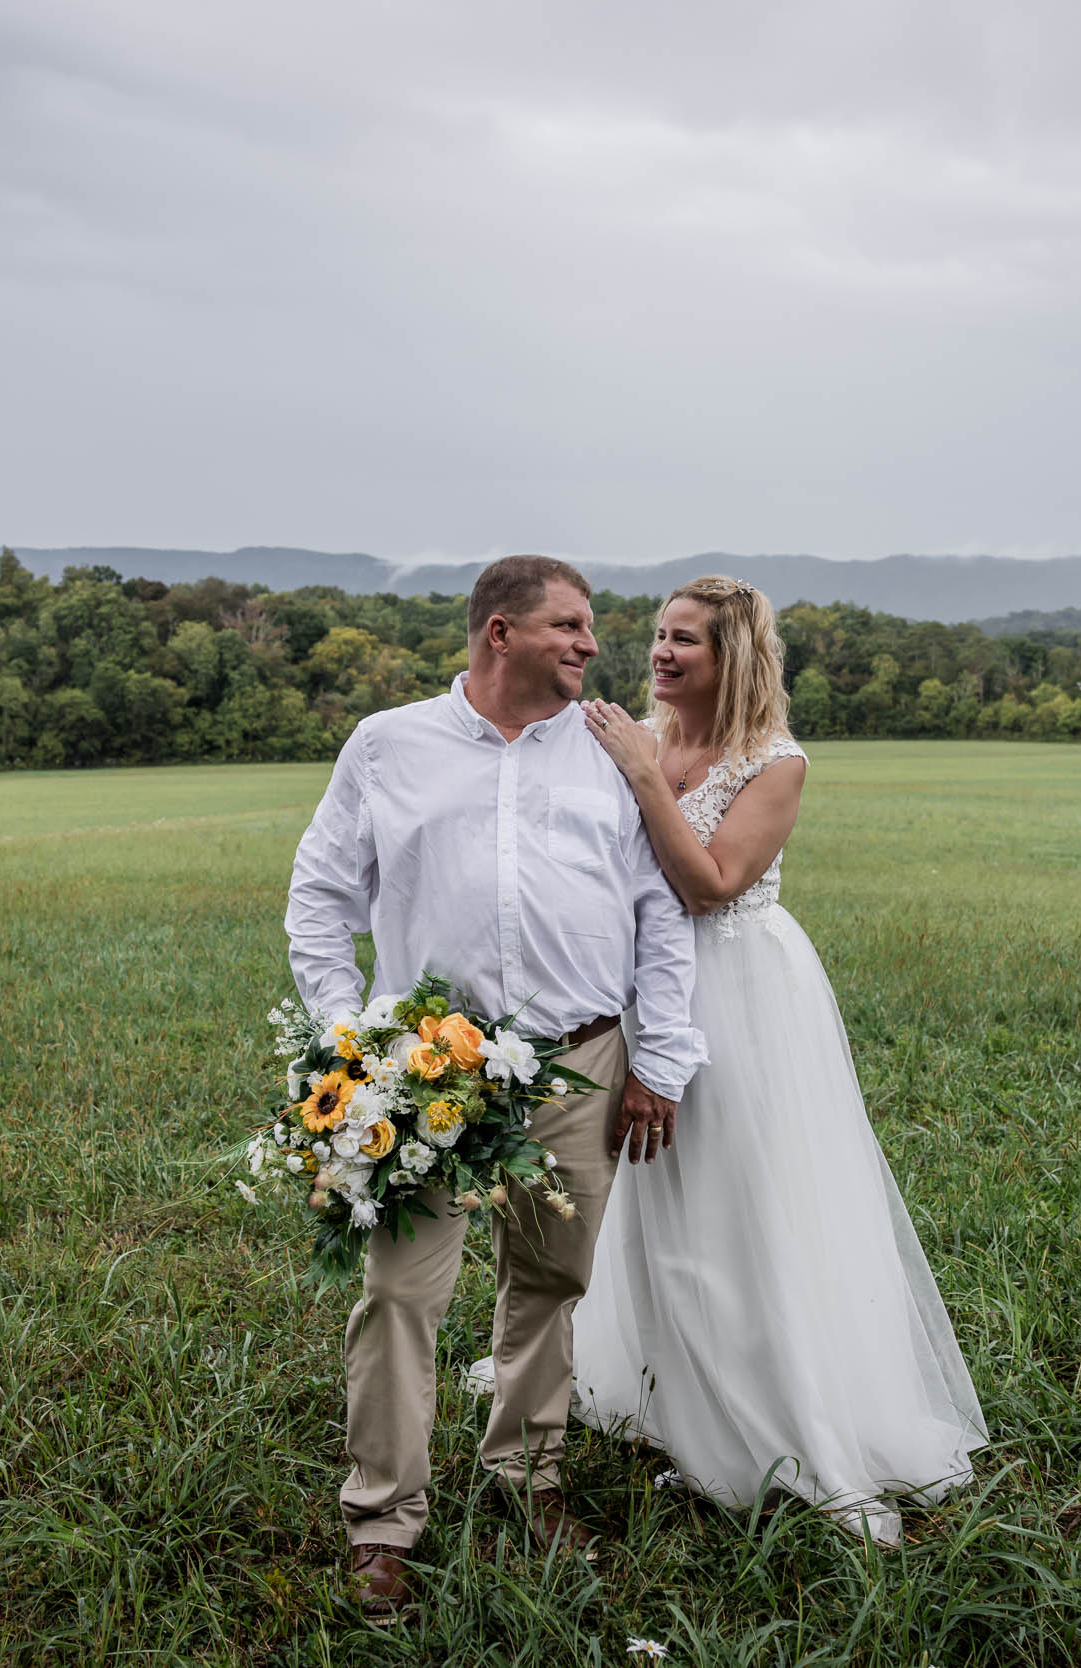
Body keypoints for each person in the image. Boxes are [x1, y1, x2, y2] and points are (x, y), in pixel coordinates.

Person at [285, 555, 706, 1623]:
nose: (590, 644)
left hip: (584, 1059)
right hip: (429, 1074)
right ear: (498, 633)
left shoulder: (616, 749)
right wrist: (351, 1043)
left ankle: (528, 1477)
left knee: (552, 1280)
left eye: (591, 626)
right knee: (398, 1293)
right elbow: (321, 894)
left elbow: (661, 912)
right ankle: (383, 1519)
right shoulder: (388, 745)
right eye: (567, 625)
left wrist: (656, 1059)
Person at [567, 575, 989, 1545]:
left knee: (739, 1200)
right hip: (639, 986)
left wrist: (640, 778)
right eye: (659, 636)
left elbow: (711, 885)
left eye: (686, 643)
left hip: (740, 997)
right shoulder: (639, 732)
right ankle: (670, 1395)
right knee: (652, 1196)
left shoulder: (774, 762)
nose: (662, 654)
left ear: (736, 659)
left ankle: (767, 1417)